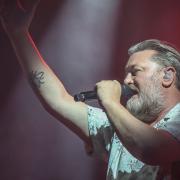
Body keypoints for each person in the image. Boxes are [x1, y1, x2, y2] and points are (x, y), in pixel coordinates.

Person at [1, 1, 180, 180]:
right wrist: (19, 35)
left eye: (135, 72)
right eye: (126, 73)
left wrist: (110, 102)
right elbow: (58, 99)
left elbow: (151, 149)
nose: (126, 80)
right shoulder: (121, 128)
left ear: (167, 76)